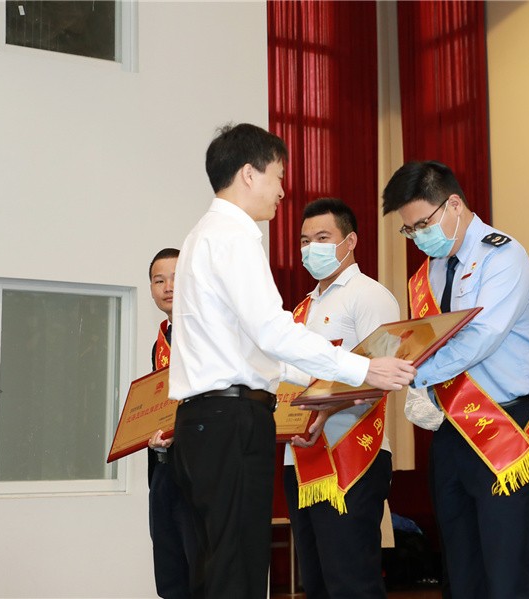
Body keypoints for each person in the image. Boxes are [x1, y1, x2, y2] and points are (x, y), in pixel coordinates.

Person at [168, 123, 416, 599]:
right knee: (237, 571)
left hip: (206, 422)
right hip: (232, 420)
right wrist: (364, 368)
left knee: (217, 566)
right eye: (278, 176)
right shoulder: (234, 237)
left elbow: (260, 352)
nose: (283, 191)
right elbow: (273, 333)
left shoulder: (203, 235)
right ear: (249, 173)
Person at [383, 160, 529, 599]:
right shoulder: (432, 270)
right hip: (452, 427)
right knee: (460, 568)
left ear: (454, 204)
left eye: (423, 224)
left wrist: (410, 372)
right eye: (409, 230)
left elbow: (481, 338)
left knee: (507, 567)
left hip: (507, 423)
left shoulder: (503, 256)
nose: (418, 236)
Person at [281, 198, 399, 599]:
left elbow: (381, 375)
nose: (310, 248)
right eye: (304, 240)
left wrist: (326, 409)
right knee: (315, 581)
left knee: (351, 581)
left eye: (322, 237)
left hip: (351, 455)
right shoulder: (302, 309)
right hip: (300, 458)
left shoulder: (370, 296)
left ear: (350, 241)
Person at [145, 248, 197, 599]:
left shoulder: (205, 331)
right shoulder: (161, 339)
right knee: (170, 575)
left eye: (176, 278)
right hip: (165, 470)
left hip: (197, 471)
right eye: (158, 280)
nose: (167, 287)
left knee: (200, 572)